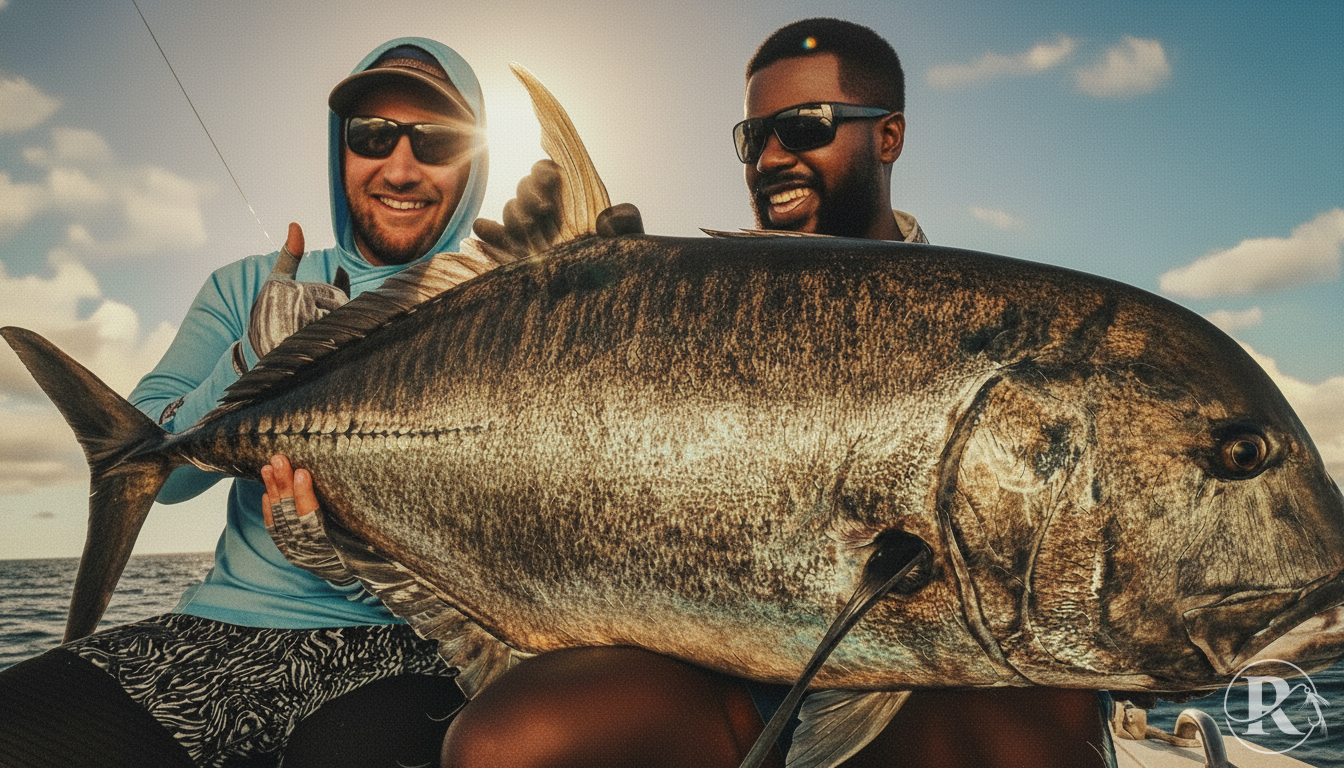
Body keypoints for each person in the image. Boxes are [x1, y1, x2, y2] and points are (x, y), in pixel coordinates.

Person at [269, 18, 1117, 768]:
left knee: (1022, 719)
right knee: (503, 744)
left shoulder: (973, 320)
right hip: (723, 664)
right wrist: (541, 293)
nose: (774, 155)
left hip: (914, 672)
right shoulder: (685, 302)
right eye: (754, 138)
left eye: (806, 126)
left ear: (888, 135)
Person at [0, 37, 489, 768]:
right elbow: (162, 473)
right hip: (219, 631)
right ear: (341, 150)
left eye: (436, 140)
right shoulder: (244, 287)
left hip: (423, 650)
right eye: (372, 135)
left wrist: (363, 554)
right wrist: (250, 357)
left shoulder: (502, 304)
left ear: (473, 161)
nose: (399, 165)